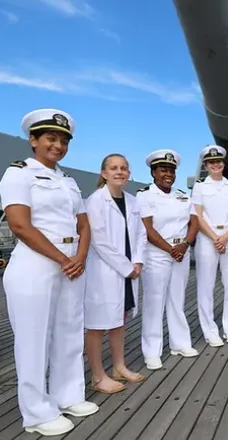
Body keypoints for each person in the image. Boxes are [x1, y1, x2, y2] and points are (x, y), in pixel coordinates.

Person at [0, 108, 98, 436]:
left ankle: (67, 396)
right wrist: (63, 258)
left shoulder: (67, 180)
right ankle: (37, 413)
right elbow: (19, 225)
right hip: (35, 263)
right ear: (33, 139)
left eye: (63, 140)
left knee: (69, 333)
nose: (57, 145)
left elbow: (83, 224)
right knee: (33, 339)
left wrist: (79, 257)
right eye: (50, 138)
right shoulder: (19, 174)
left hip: (71, 264)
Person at [84, 153, 147, 394]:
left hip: (129, 270)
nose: (119, 172)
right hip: (105, 271)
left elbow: (141, 234)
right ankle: (98, 376)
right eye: (114, 168)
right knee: (97, 324)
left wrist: (138, 261)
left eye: (123, 168)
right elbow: (99, 240)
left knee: (120, 319)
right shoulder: (96, 201)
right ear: (104, 173)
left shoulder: (132, 201)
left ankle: (119, 366)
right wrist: (127, 267)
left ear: (129, 174)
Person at [136, 149, 199, 370]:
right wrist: (171, 249)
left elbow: (194, 222)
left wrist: (184, 245)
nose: (168, 174)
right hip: (157, 254)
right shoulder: (145, 195)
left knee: (177, 299)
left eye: (172, 170)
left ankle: (179, 343)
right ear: (153, 172)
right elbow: (147, 228)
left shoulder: (182, 195)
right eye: (163, 169)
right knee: (154, 303)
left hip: (181, 251)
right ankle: (152, 351)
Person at [192, 145, 228, 346]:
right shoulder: (200, 187)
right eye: (211, 162)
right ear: (206, 165)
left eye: (219, 161)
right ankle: (210, 331)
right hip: (207, 240)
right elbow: (197, 214)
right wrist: (215, 237)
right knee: (206, 286)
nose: (216, 165)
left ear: (223, 163)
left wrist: (225, 236)